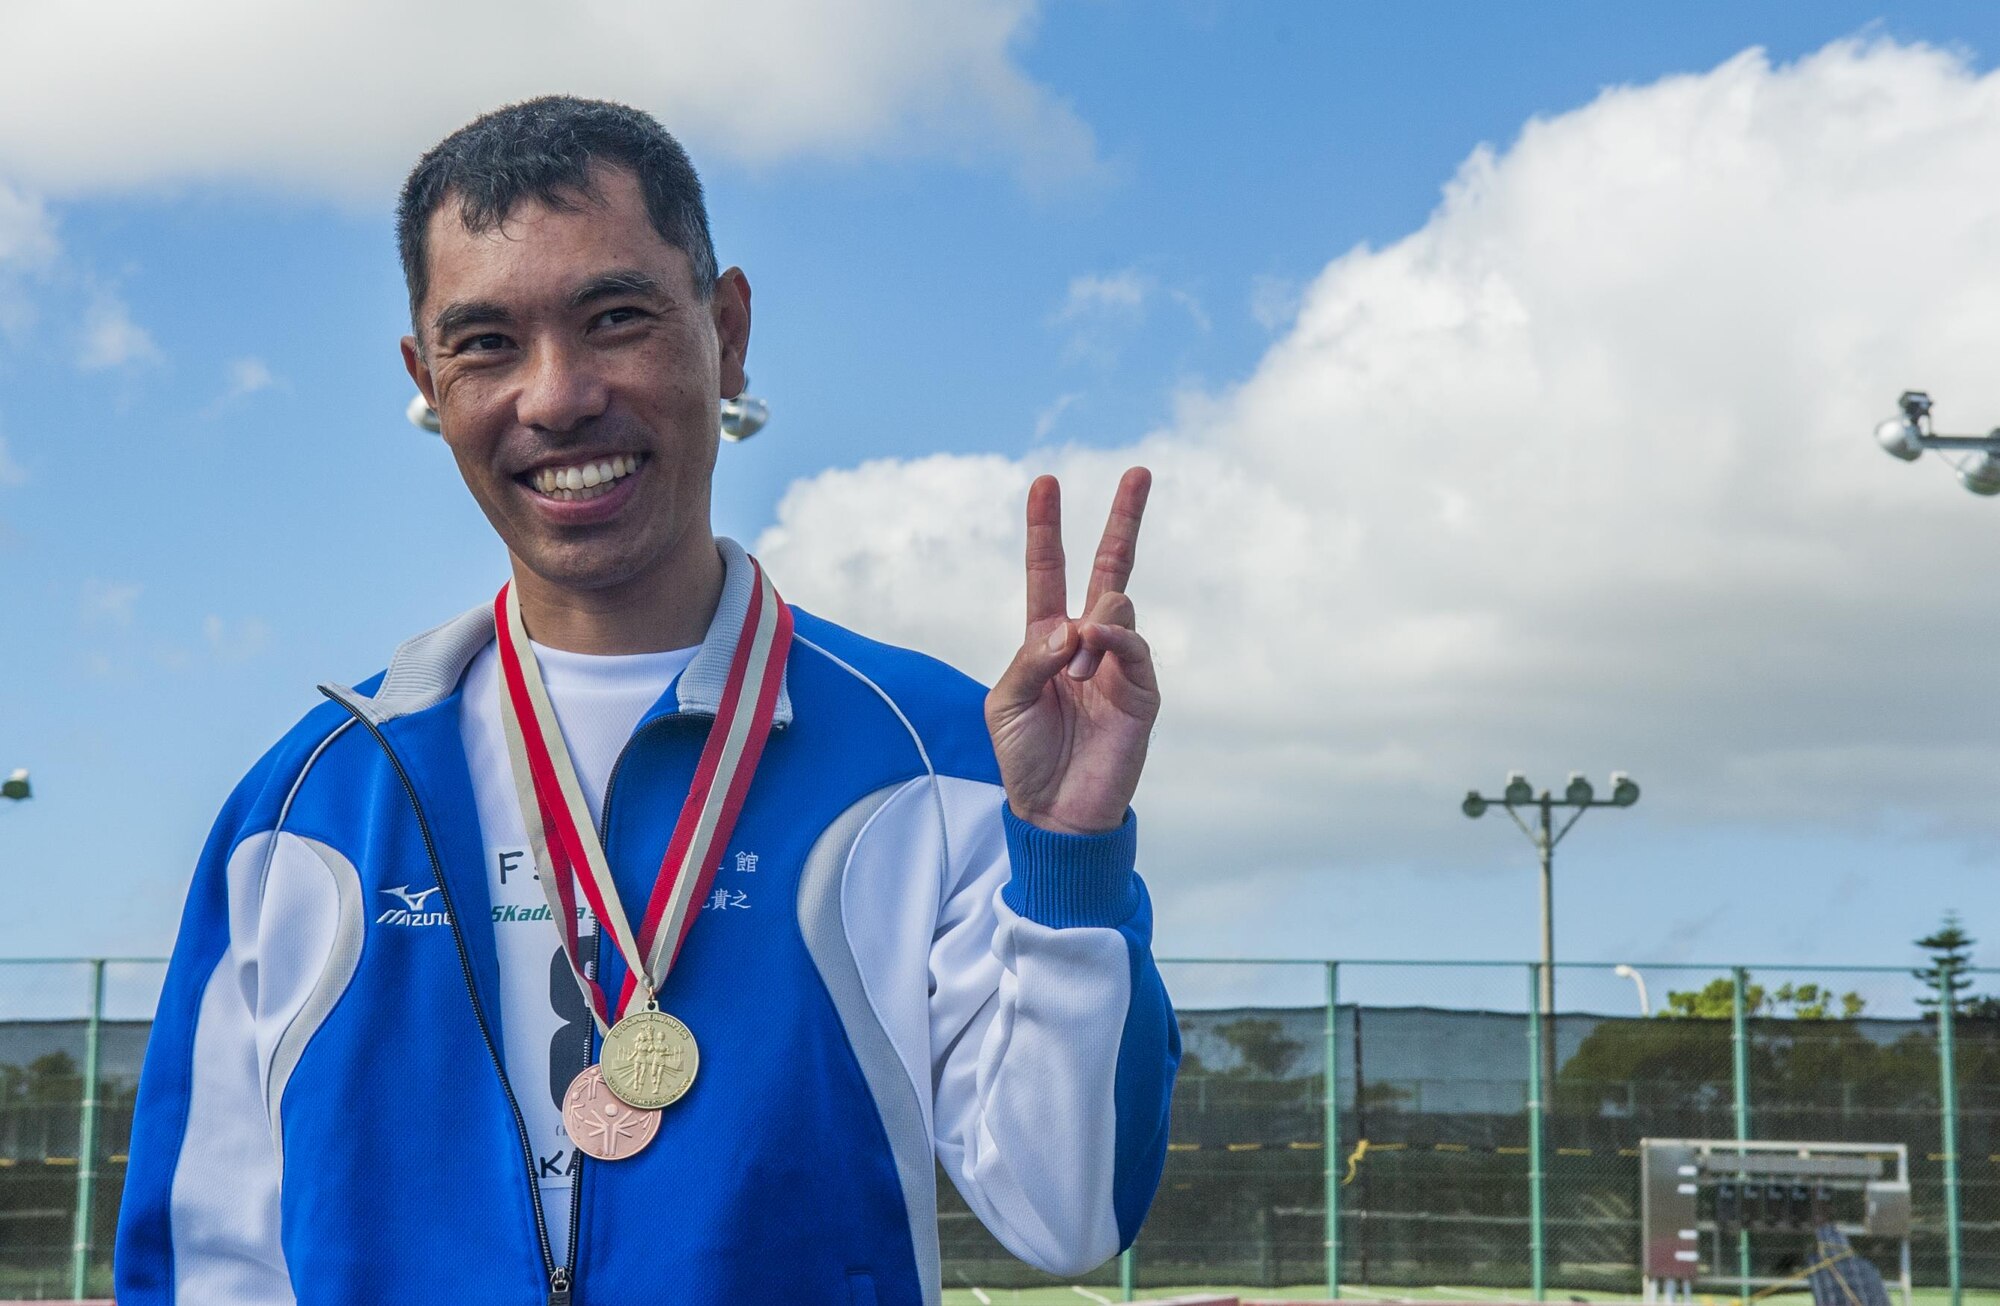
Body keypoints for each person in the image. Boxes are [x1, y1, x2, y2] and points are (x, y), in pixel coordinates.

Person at [114, 96, 1179, 1306]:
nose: (557, 397)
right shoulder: (311, 799)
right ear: (425, 377)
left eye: (614, 319)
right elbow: (205, 1269)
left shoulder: (940, 753)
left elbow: (1069, 1212)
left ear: (725, 332)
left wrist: (1071, 856)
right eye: (485, 344)